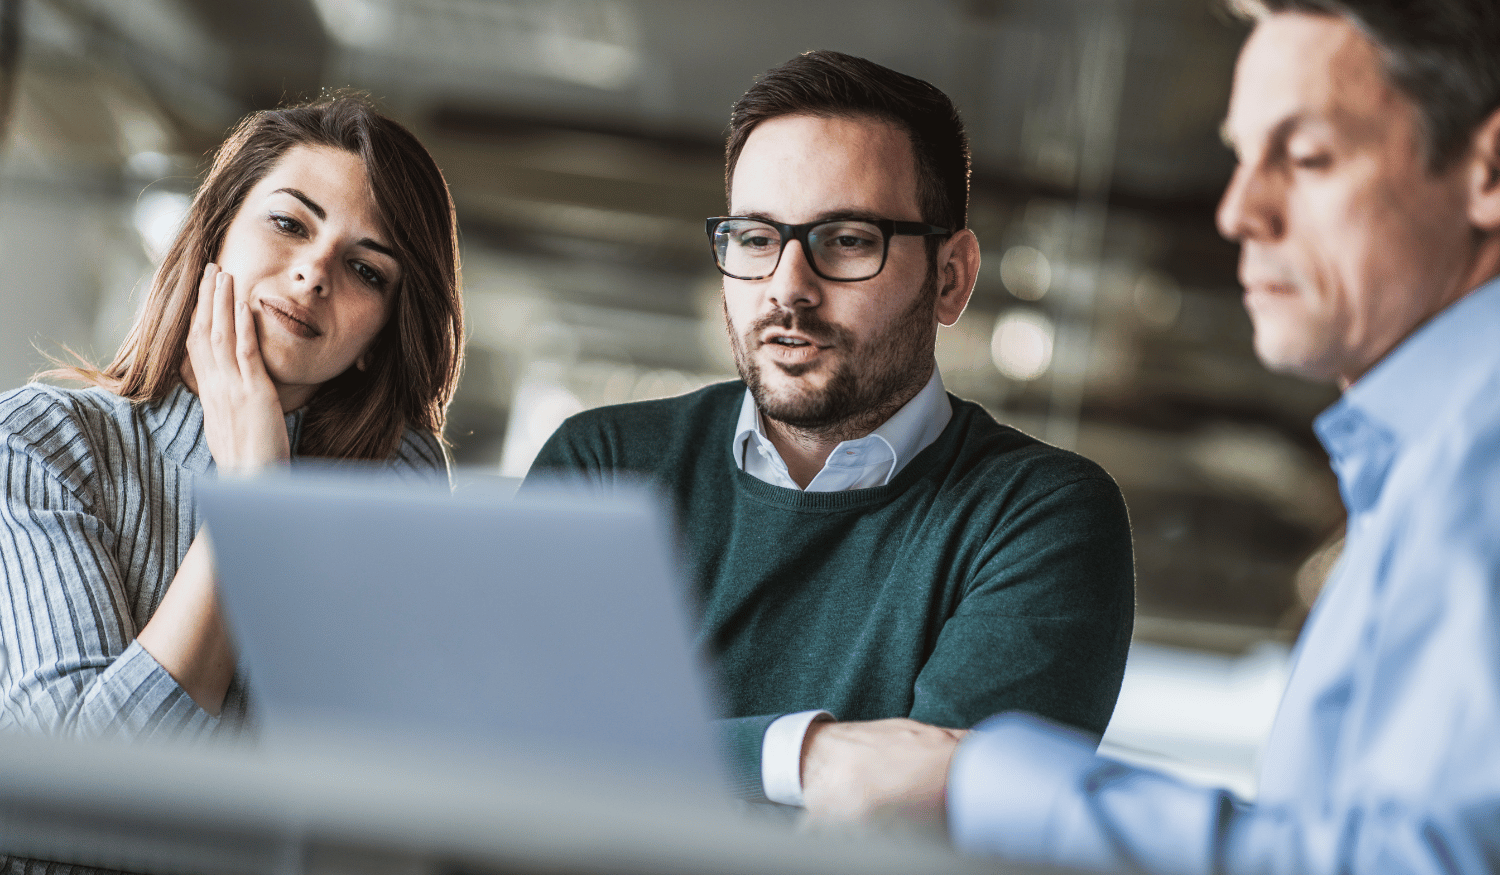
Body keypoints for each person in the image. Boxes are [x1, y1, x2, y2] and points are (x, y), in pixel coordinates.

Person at [844, 1, 1500, 871]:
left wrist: (980, 783)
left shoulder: (1480, 456)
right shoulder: (1417, 464)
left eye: (1306, 157)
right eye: (1240, 157)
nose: (1238, 210)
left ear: (1487, 170)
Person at [523, 51, 1135, 811]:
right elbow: (511, 749)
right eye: (754, 238)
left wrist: (640, 756)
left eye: (846, 240)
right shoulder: (606, 465)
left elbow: (935, 829)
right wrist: (811, 757)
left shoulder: (1038, 517)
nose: (787, 287)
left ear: (951, 278)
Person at [0, 96, 464, 744]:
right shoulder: (40, 441)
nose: (313, 272)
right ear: (215, 230)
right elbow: (78, 795)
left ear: (382, 336)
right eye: (289, 223)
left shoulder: (392, 493)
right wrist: (252, 499)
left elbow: (371, 792)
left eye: (365, 268)